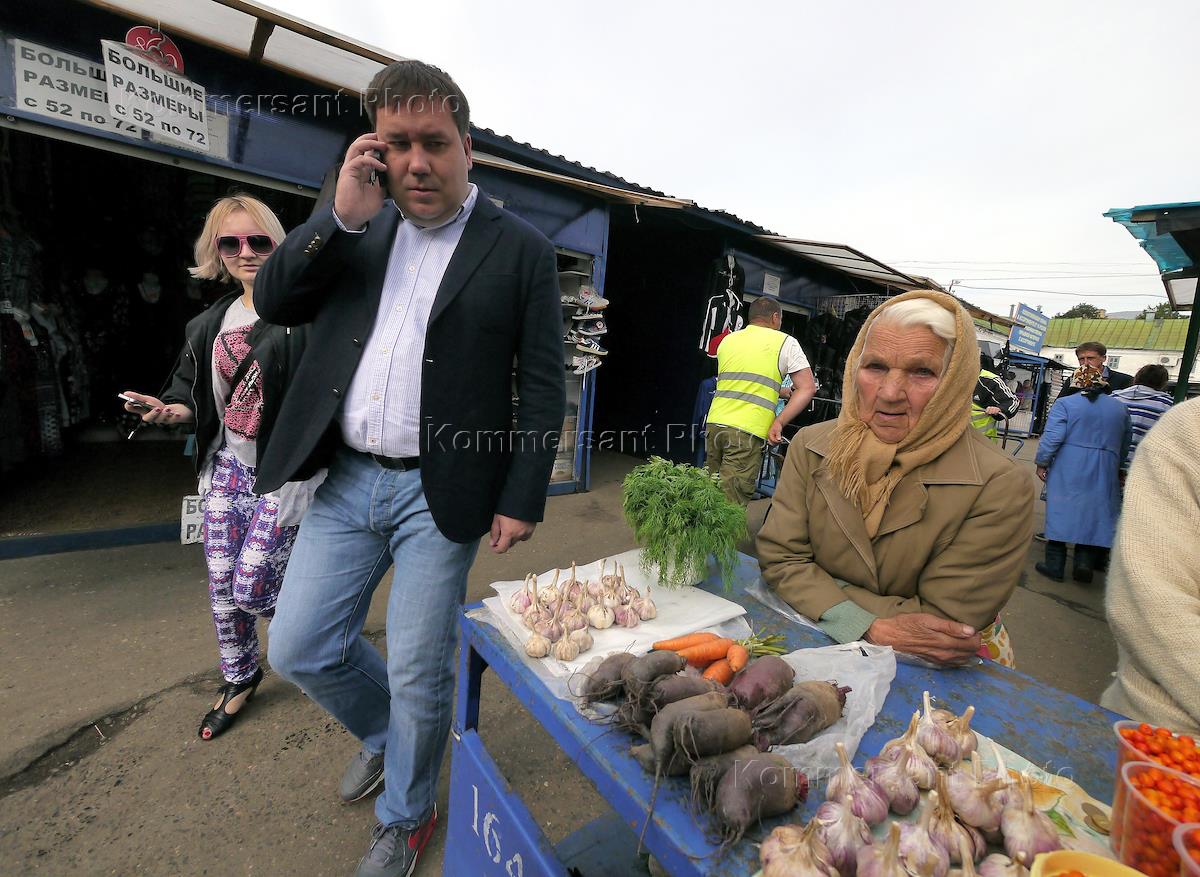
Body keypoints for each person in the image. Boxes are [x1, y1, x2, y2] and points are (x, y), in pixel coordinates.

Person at [252, 61, 564, 877]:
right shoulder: (357, 223)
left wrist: (522, 494)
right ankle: (391, 735)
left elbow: (543, 384)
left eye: (435, 142)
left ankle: (409, 812)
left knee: (422, 667)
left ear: (468, 147)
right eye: (397, 144)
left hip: (443, 489)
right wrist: (335, 219)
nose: (416, 162)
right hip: (347, 476)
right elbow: (275, 301)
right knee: (300, 646)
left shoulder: (521, 250)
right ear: (375, 149)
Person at [120, 195, 313, 740]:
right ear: (216, 251)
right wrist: (166, 411)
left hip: (284, 471)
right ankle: (240, 676)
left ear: (278, 243)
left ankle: (317, 636)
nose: (245, 252)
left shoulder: (307, 313)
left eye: (258, 240)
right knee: (223, 588)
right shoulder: (208, 323)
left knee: (253, 585)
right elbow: (193, 398)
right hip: (227, 465)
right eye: (231, 242)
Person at [757, 291, 1034, 667]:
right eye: (875, 366)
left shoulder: (999, 484)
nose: (889, 393)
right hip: (815, 645)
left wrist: (818, 588)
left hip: (934, 673)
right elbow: (781, 557)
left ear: (955, 381)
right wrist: (862, 624)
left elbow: (943, 624)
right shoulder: (811, 445)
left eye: (922, 372)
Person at [1101, 398, 1200, 735]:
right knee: (1090, 526)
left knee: (1070, 523)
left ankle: (1061, 562)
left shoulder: (1124, 402)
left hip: (1099, 468)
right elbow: (1152, 603)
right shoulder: (1184, 424)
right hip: (1167, 740)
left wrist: (1045, 458)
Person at [705, 298, 816, 505]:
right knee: (731, 503)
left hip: (715, 426)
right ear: (775, 317)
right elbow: (807, 387)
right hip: (746, 431)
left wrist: (779, 391)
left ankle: (700, 527)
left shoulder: (728, 340)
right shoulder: (786, 342)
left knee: (709, 494)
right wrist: (779, 422)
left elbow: (742, 381)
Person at [1034, 366, 1131, 584]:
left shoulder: (1065, 404)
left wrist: (1042, 462)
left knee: (1061, 511)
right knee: (1094, 514)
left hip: (1069, 464)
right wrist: (1117, 465)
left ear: (1076, 383)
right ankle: (1083, 564)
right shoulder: (1119, 408)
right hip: (1105, 466)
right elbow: (1125, 442)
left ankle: (1055, 565)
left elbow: (1053, 437)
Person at [1112, 364, 1173, 470]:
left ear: (1137, 377)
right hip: (1142, 467)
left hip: (1111, 462)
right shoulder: (1168, 405)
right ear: (1163, 383)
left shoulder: (1113, 398)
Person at [971, 352, 1020, 441]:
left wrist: (999, 409)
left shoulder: (989, 380)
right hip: (955, 439)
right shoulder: (952, 378)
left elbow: (1013, 401)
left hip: (982, 441)